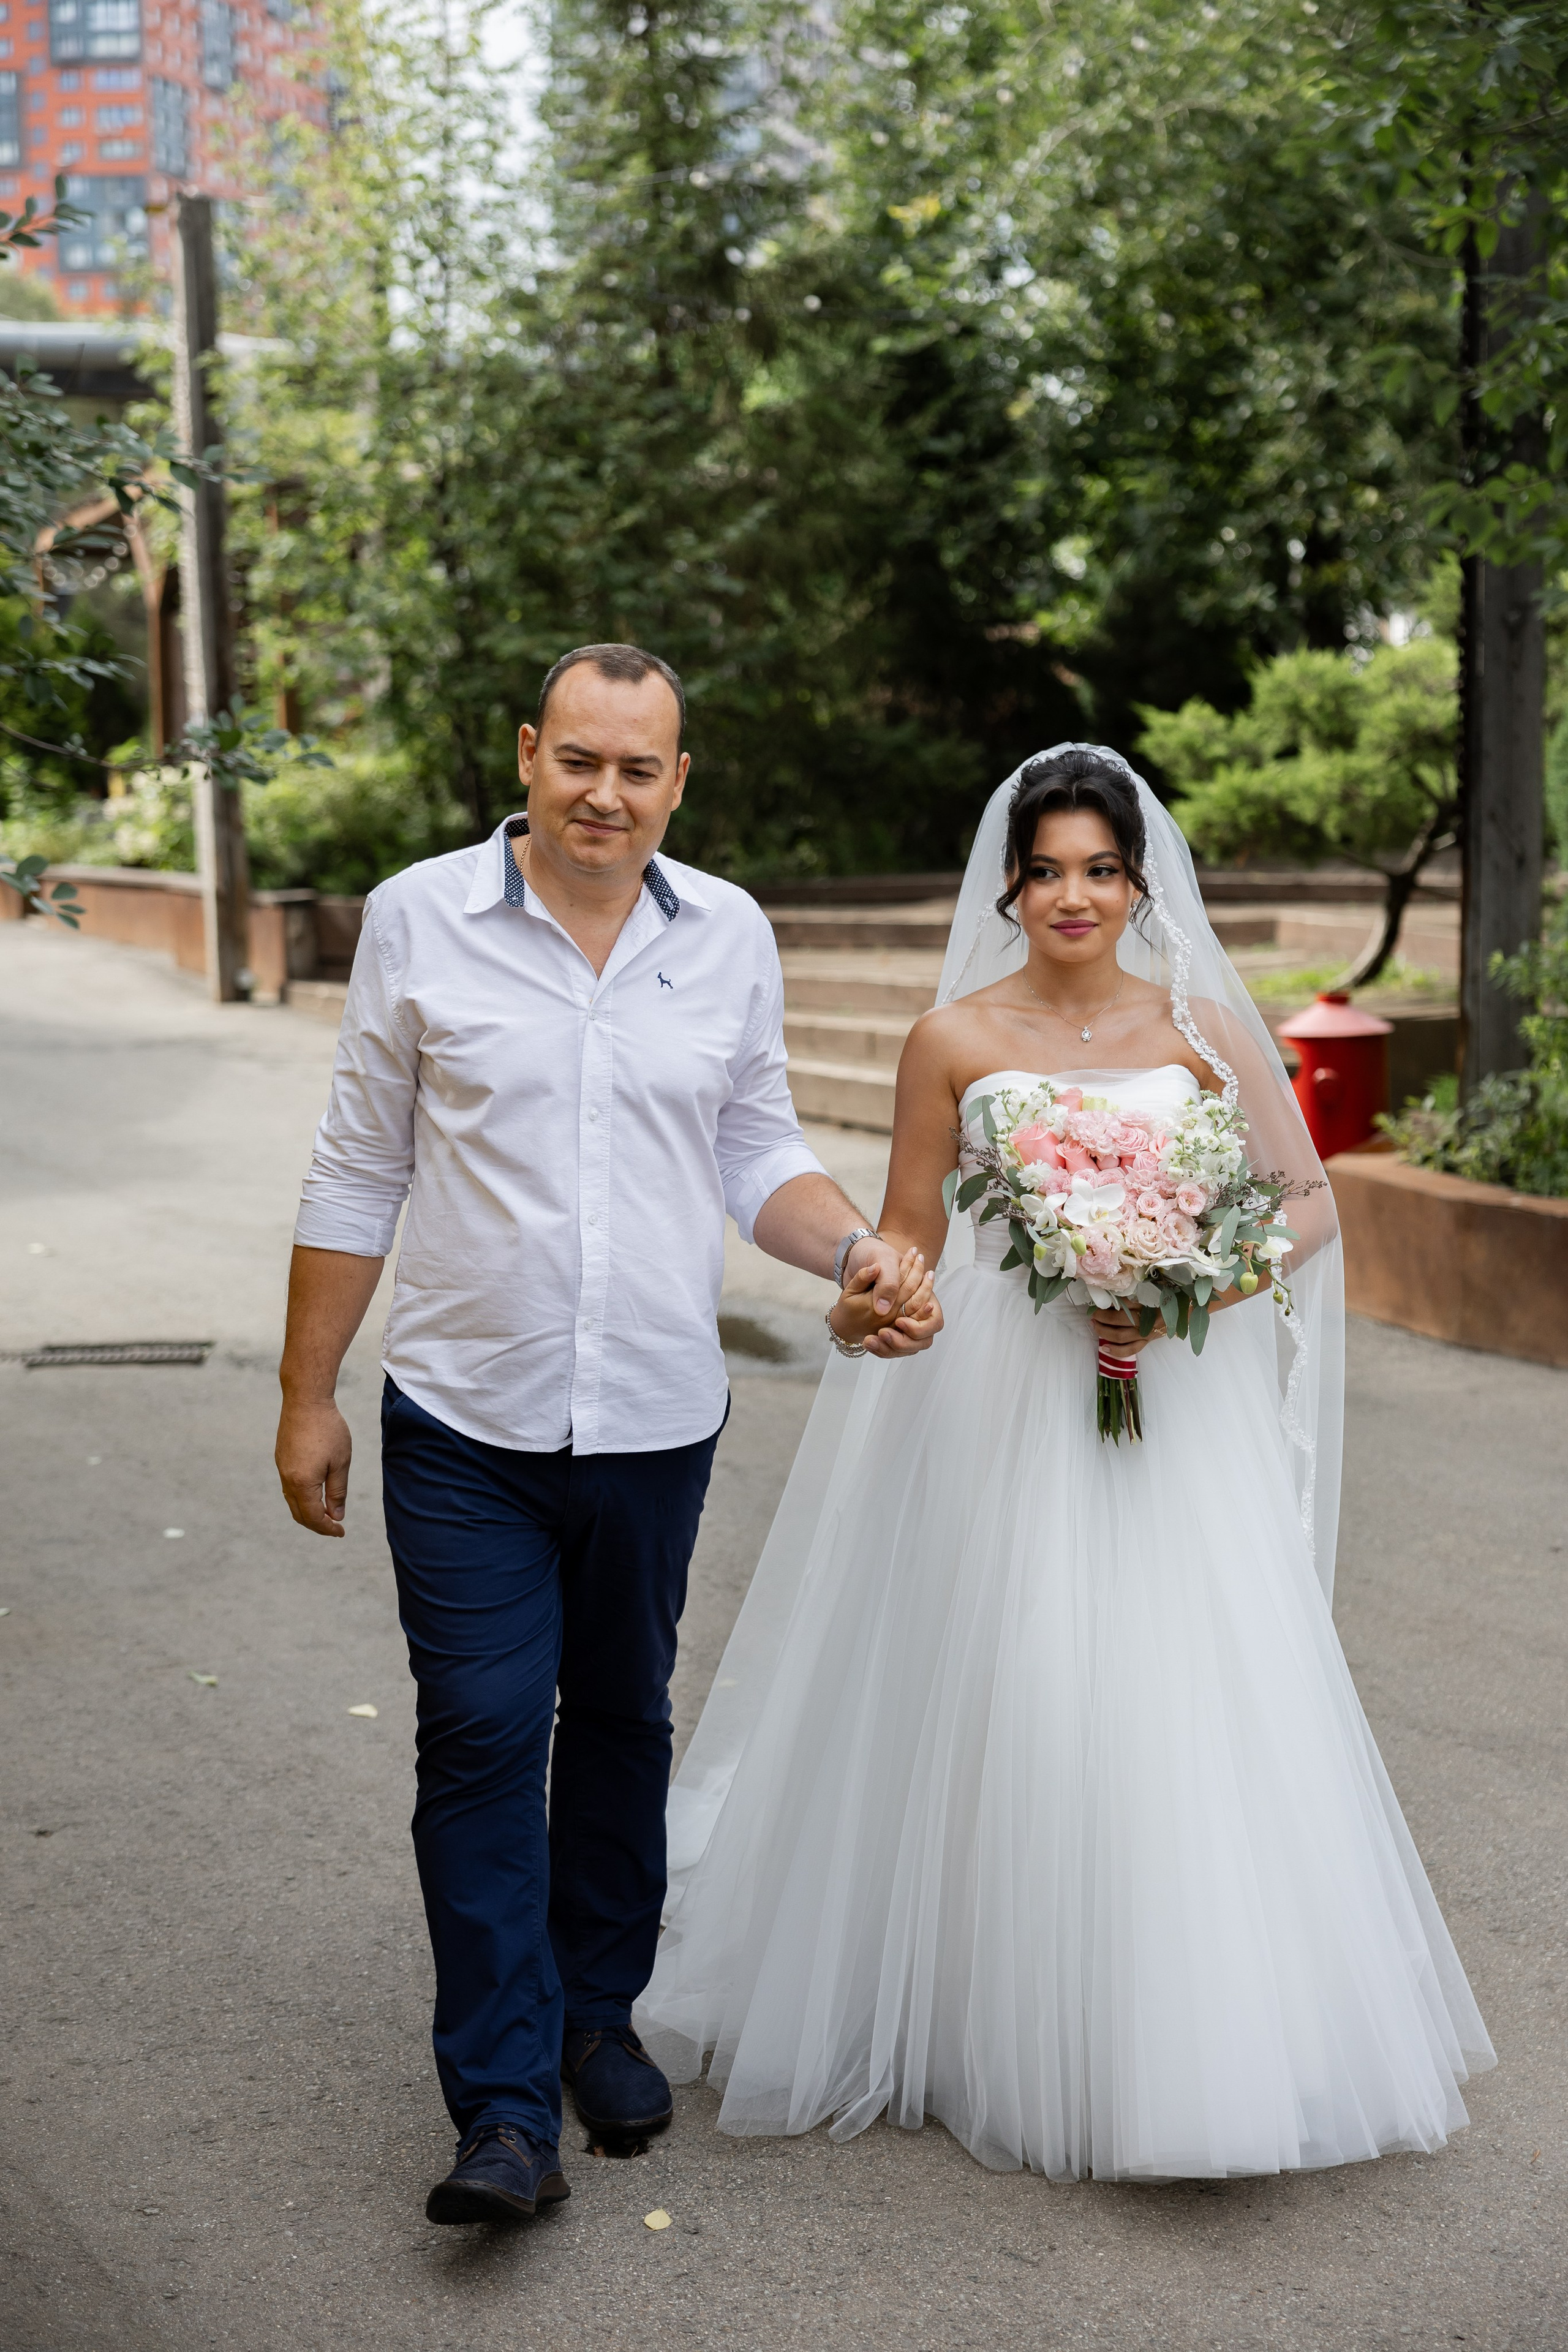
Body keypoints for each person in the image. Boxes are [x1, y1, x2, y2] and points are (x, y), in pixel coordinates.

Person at [637, 743, 1495, 2182]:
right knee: (1020, 1675)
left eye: (1101, 869)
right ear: (1009, 883)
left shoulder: (1204, 1027)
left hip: (1178, 1402)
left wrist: (1179, 1289)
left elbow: (1303, 1207)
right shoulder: (952, 1040)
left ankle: (1197, 2032)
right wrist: (869, 1298)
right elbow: (906, 1236)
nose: (1073, 896)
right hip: (1003, 1400)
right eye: (1046, 871)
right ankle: (1003, 2011)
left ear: (1137, 881)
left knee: (1183, 1682)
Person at [273, 642, 940, 2226]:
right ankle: (504, 2104)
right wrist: (306, 1390)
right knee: (488, 1735)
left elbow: (757, 1149)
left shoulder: (727, 938)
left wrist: (852, 1250)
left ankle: (595, 2013)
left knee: (625, 1717)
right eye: (580, 759)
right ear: (526, 755)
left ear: (680, 780)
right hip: (464, 1414)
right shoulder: (420, 921)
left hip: (654, 1413)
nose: (606, 794)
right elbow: (358, 1166)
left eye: (640, 769)